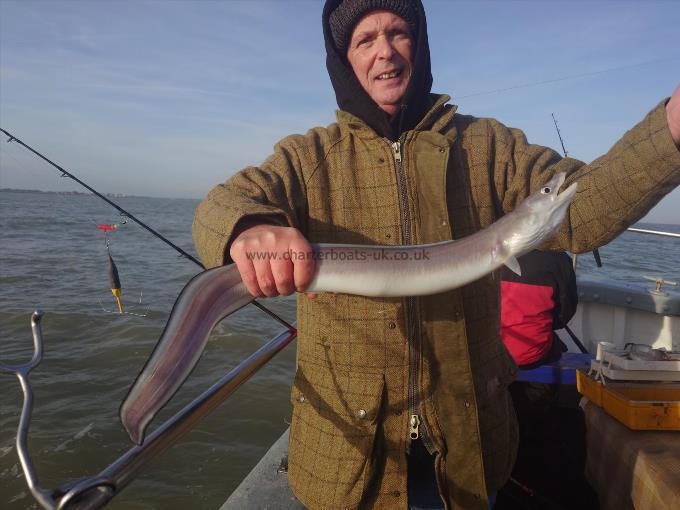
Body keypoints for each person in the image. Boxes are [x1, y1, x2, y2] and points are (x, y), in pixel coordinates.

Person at [192, 1, 680, 508]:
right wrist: (246, 228)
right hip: (349, 461)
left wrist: (669, 130)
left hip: (470, 447)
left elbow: (582, 207)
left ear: (419, 45)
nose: (385, 51)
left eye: (398, 33)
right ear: (345, 61)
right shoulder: (307, 158)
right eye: (365, 40)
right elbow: (219, 205)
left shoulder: (488, 146)